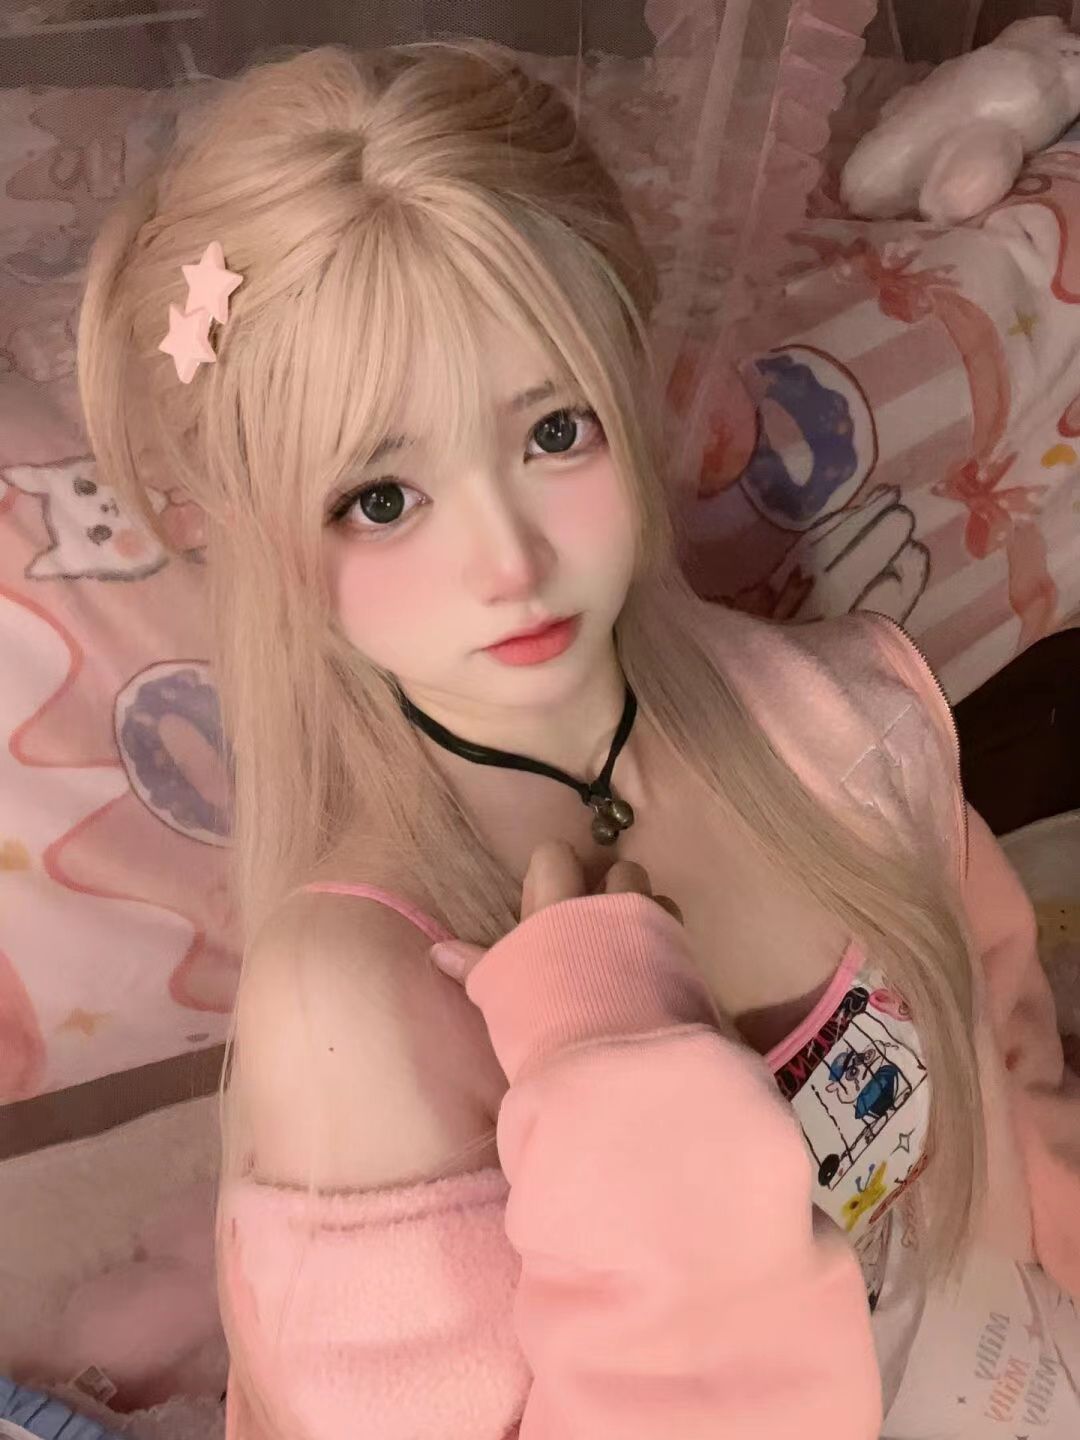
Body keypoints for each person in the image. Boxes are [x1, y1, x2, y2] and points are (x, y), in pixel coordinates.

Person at [77, 41, 1080, 1439]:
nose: (510, 560)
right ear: (247, 529)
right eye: (382, 499)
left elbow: (1011, 1084)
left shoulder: (851, 720)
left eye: (554, 430)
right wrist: (620, 1085)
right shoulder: (353, 1001)